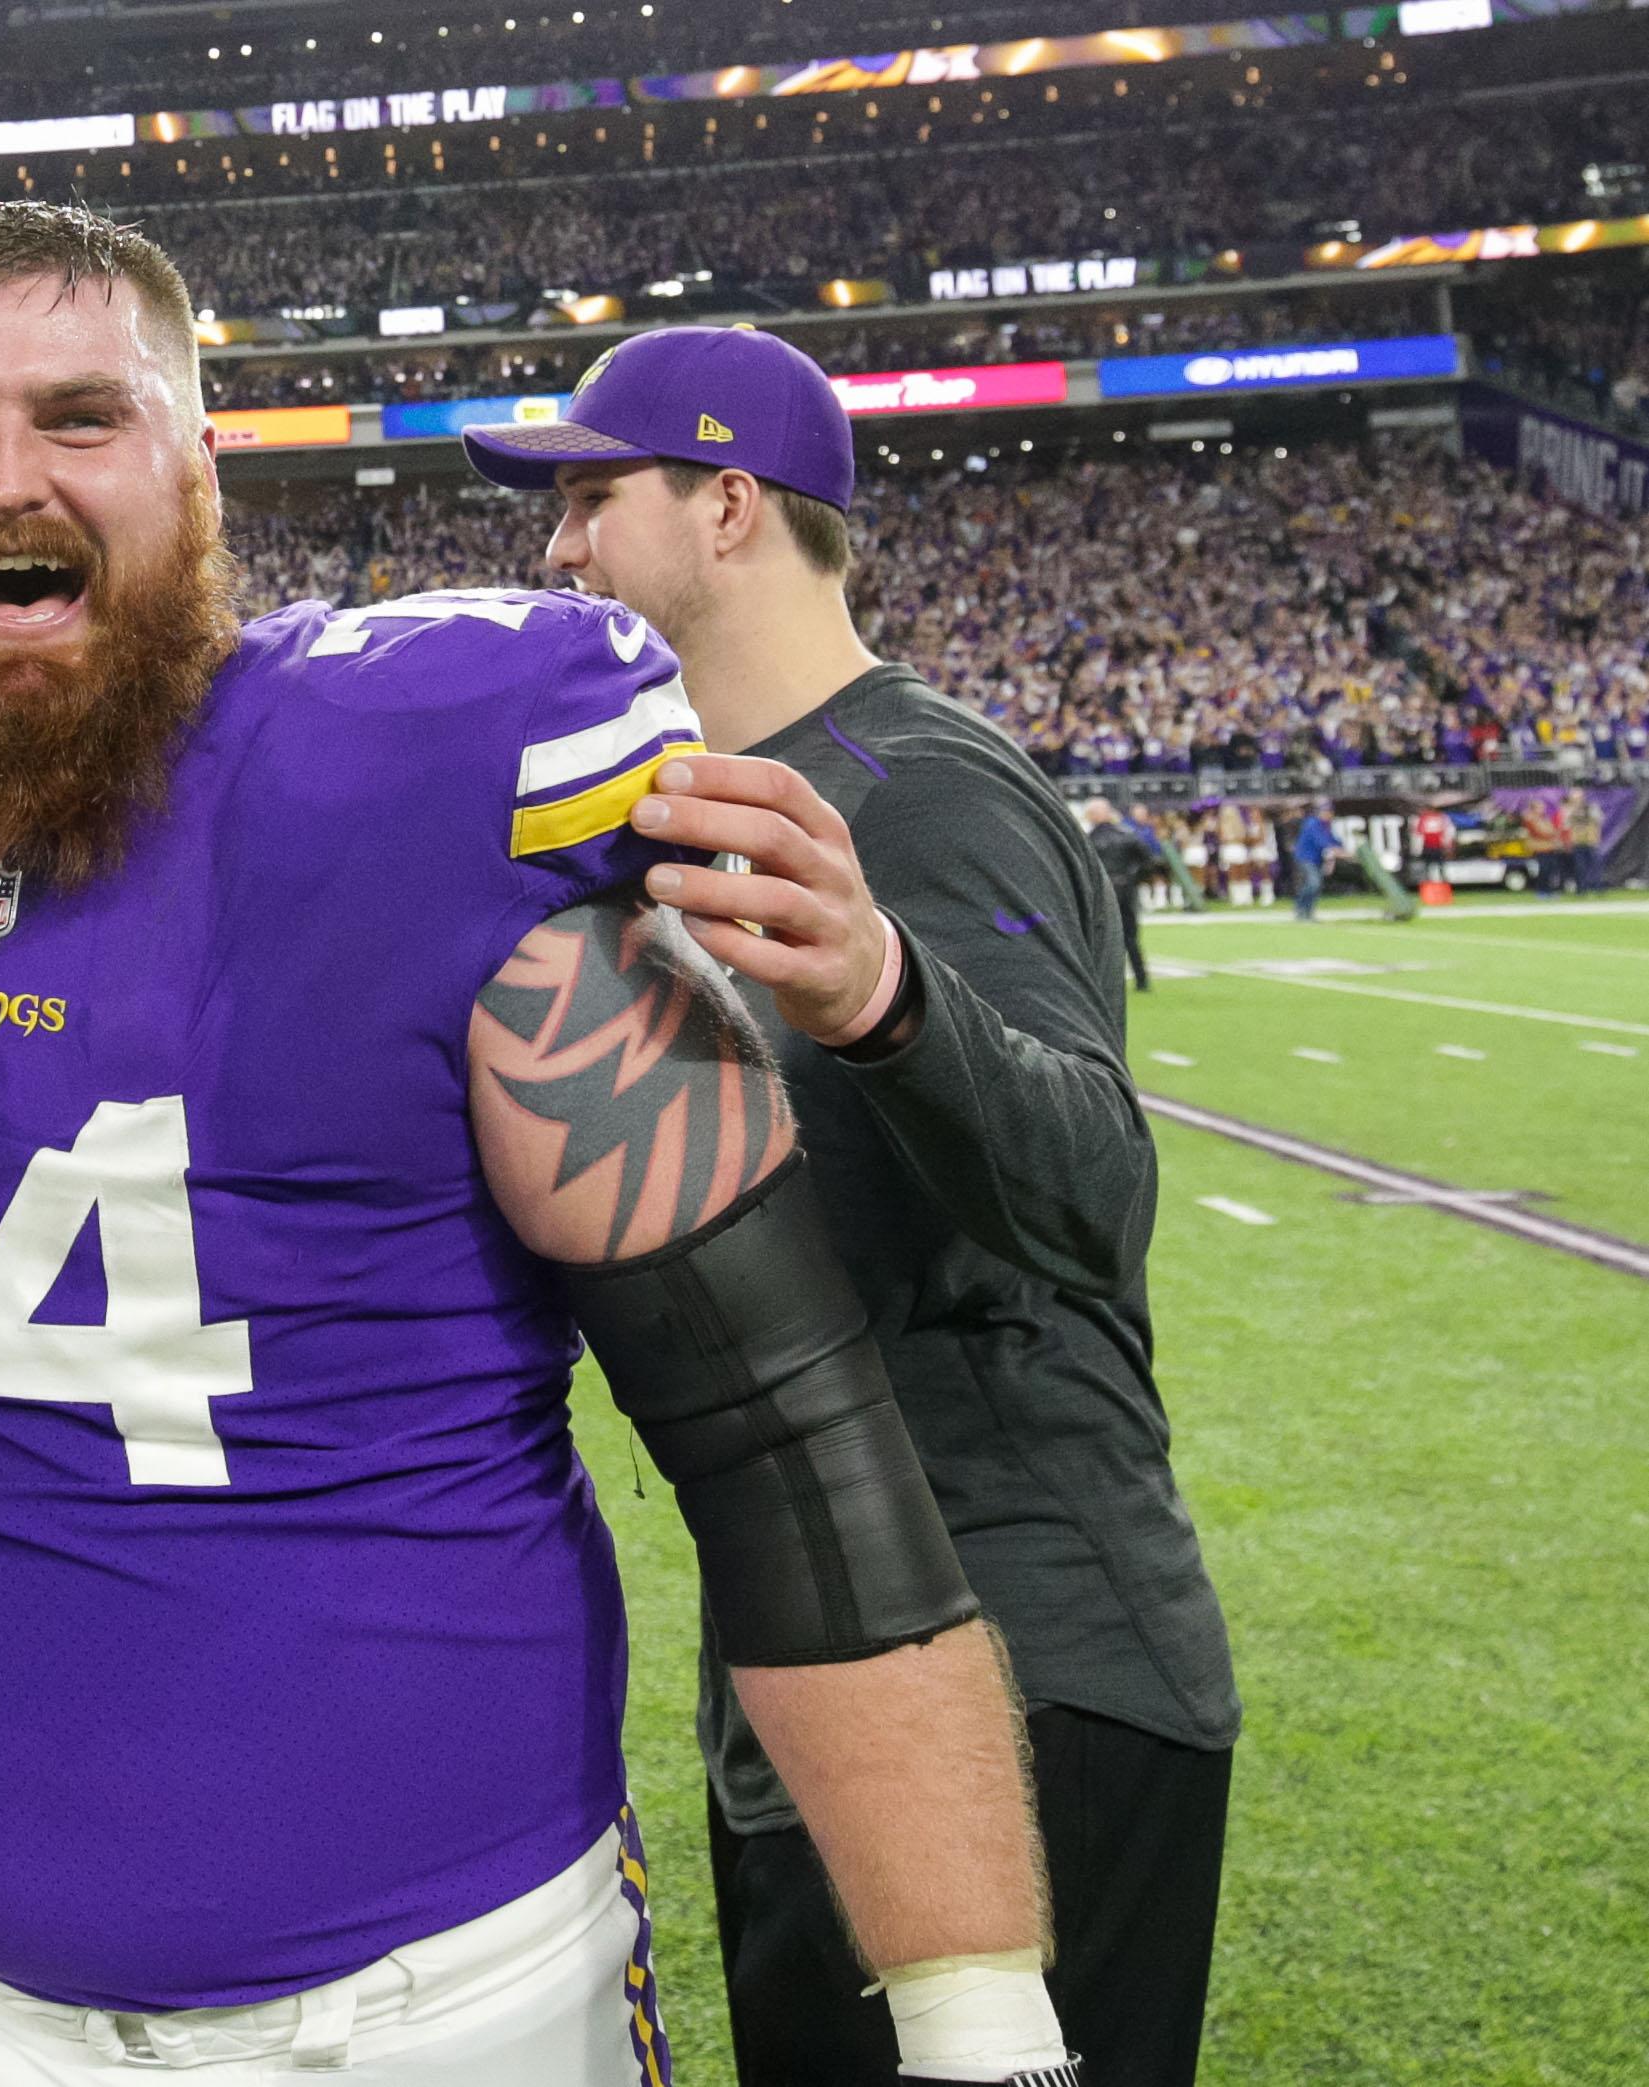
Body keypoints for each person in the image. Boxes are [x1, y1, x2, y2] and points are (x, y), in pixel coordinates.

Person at [0, 204, 1063, 2087]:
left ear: (198, 468)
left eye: (82, 415)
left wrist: (979, 2023)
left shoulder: (423, 782)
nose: (7, 477)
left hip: (413, 2006)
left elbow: (784, 1448)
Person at [468, 321, 1234, 2086]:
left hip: (1027, 1672)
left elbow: (1096, 1191)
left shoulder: (925, 789)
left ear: (726, 504)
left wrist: (887, 993)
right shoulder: (677, 811)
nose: (557, 549)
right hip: (817, 1668)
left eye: (592, 497)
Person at [1081, 798, 1160, 993]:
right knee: (1131, 937)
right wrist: (1133, 878)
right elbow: (1149, 861)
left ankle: (1101, 985)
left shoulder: (1087, 839)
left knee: (1097, 938)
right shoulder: (1127, 835)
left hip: (1101, 893)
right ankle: (1141, 980)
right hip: (1126, 889)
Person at [1290, 798, 1340, 922]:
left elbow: (1334, 840)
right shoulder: (1312, 823)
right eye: (1325, 811)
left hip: (1316, 860)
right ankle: (1300, 908)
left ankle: (1308, 912)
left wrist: (1340, 848)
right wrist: (1339, 851)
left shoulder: (1325, 825)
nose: (1327, 814)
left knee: (1315, 886)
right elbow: (1322, 842)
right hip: (1305, 858)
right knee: (1313, 883)